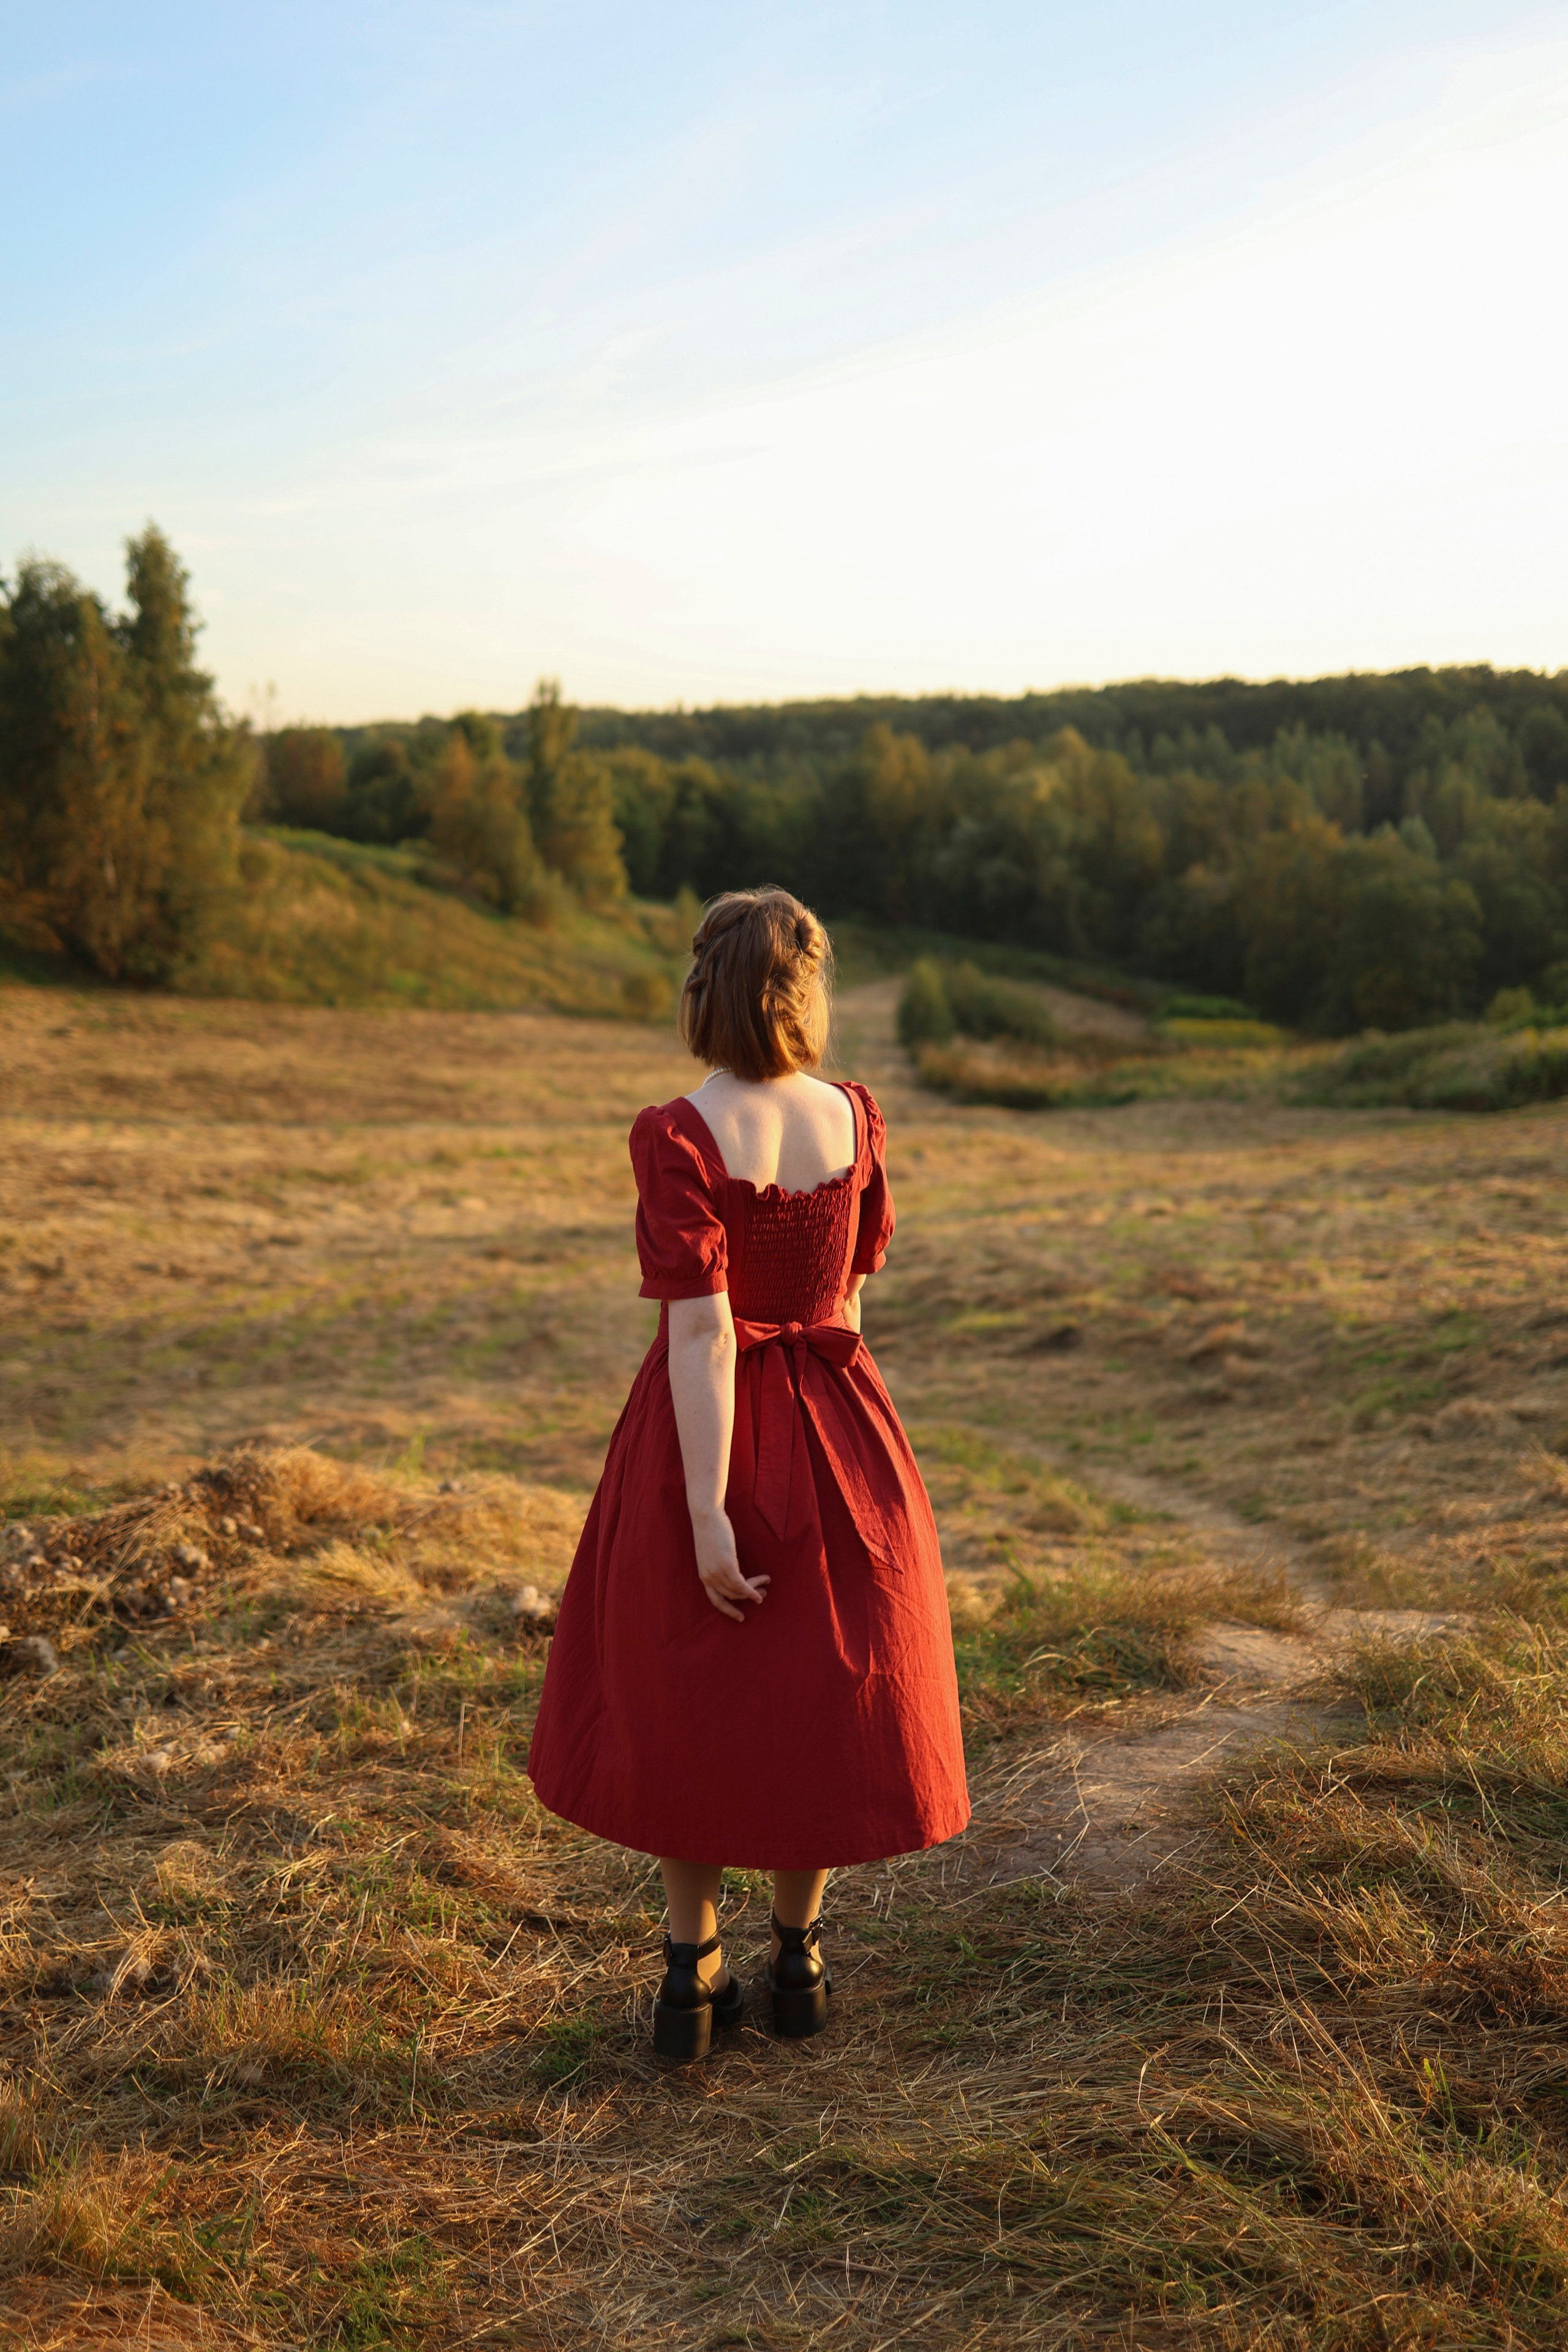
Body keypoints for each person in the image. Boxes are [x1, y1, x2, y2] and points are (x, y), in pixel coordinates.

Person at [527, 887, 969, 2059]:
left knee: (690, 1698)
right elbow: (852, 1301)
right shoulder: (854, 1119)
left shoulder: (680, 1131)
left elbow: (706, 1337)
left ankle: (691, 1972)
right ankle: (801, 1961)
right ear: (805, 993)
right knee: (813, 1698)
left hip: (704, 1434)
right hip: (837, 1414)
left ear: (704, 993)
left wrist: (708, 1514)